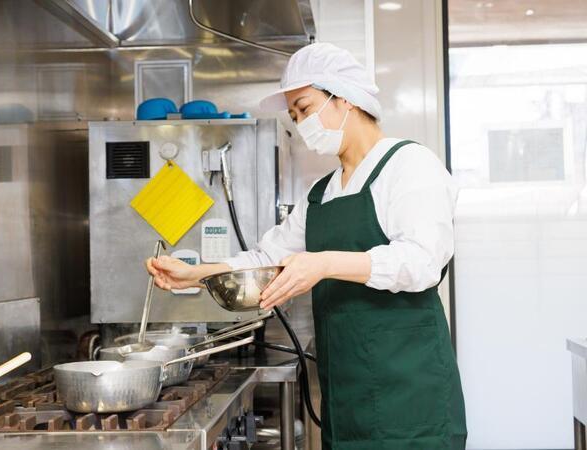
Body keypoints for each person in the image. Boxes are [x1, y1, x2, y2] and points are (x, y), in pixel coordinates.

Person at [146, 42, 467, 450]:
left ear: (345, 98)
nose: (300, 123)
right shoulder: (321, 194)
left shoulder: (410, 166)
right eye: (294, 116)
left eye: (304, 107)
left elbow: (422, 262)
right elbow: (267, 257)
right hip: (347, 396)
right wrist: (195, 274)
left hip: (411, 397)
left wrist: (323, 264)